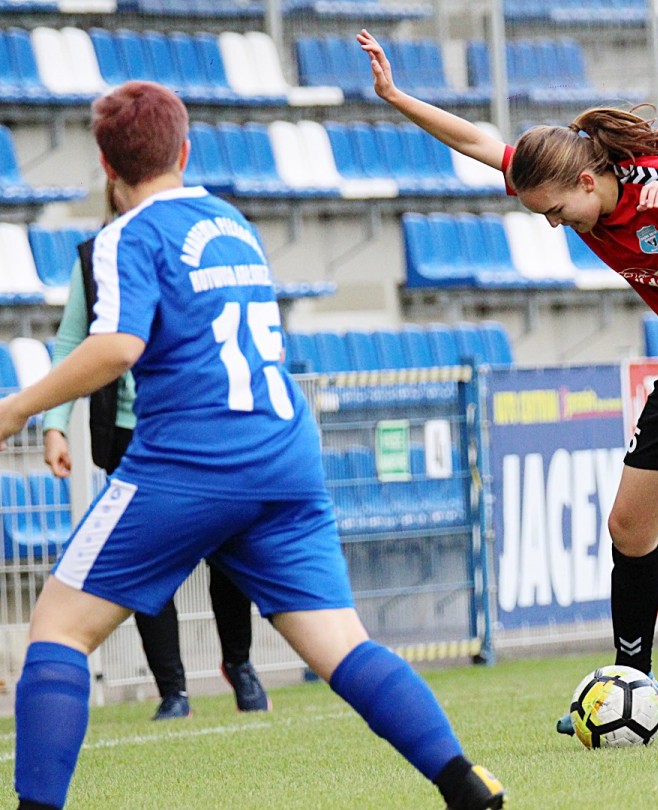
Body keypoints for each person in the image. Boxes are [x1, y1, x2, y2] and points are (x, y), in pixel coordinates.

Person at [0, 81, 504, 810]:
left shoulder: (125, 237)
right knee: (341, 645)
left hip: (194, 459)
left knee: (57, 629)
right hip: (284, 454)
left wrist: (19, 408)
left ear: (106, 167)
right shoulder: (230, 221)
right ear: (184, 151)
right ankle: (466, 783)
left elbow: (116, 345)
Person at [359, 29, 658, 746]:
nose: (555, 224)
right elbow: (476, 141)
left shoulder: (657, 186)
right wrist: (396, 96)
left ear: (587, 183)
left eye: (556, 212)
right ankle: (630, 687)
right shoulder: (565, 181)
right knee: (629, 528)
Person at [42, 182, 269, 722]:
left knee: (228, 551)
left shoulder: (192, 245)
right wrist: (54, 424)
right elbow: (73, 341)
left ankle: (239, 663)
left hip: (194, 427)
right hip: (131, 435)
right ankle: (173, 689)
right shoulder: (95, 257)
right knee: (150, 563)